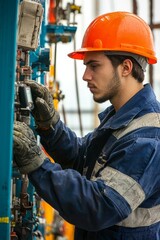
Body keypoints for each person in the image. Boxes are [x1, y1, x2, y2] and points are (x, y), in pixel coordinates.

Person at [13, 11, 160, 240]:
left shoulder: (147, 139)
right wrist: (51, 126)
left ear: (126, 67)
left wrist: (36, 165)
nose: (85, 76)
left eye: (94, 66)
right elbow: (83, 158)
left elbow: (97, 206)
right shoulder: (122, 117)